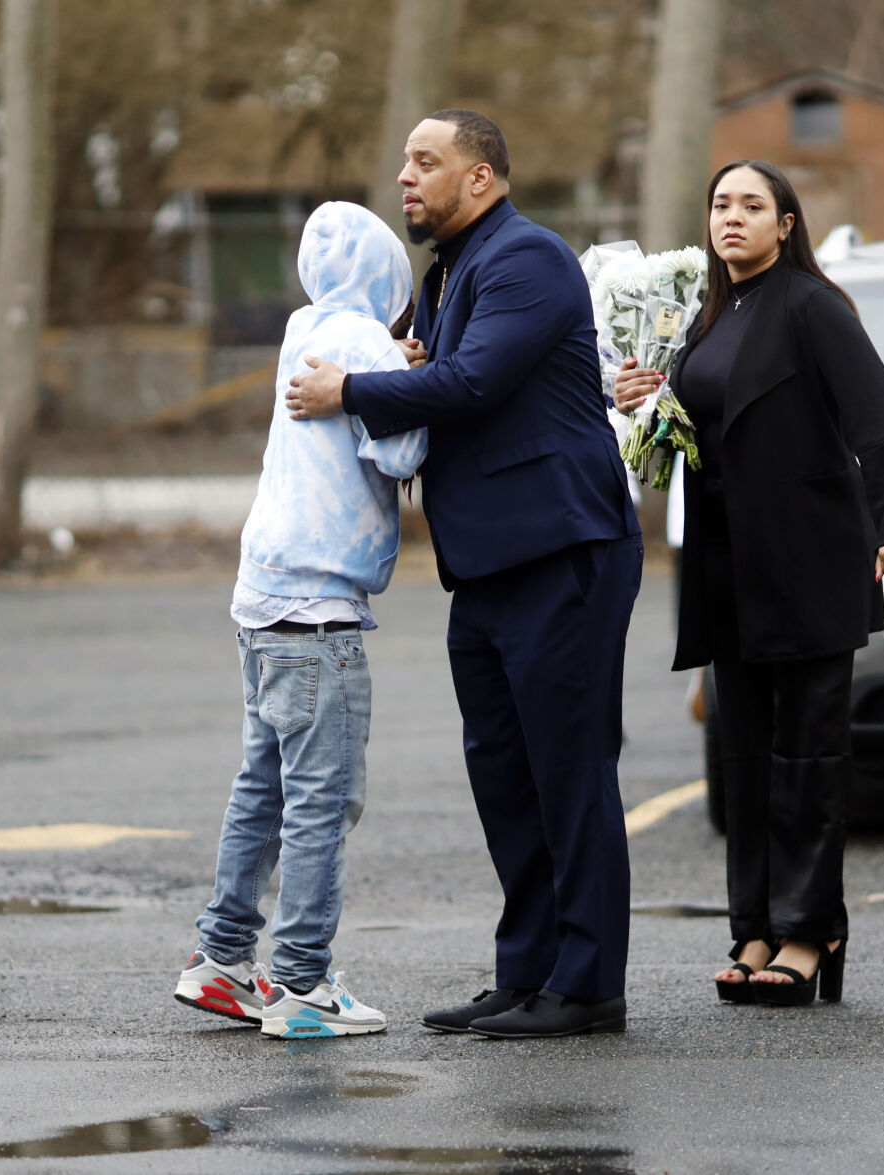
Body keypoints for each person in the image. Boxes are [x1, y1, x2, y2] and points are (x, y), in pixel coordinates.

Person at [286, 109, 644, 1037]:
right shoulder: (448, 270)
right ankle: (524, 972)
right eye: (403, 158)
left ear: (480, 177)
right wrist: (410, 359)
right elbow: (451, 374)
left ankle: (588, 983)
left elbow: (476, 383)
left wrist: (352, 390)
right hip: (487, 563)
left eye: (425, 160)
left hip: (561, 550)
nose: (404, 175)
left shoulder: (525, 257)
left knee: (569, 769)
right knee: (505, 775)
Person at [613, 160, 884, 1006]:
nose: (733, 218)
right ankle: (752, 928)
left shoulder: (813, 306)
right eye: (720, 204)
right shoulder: (706, 318)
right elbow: (688, 438)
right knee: (744, 756)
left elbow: (883, 426)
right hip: (729, 568)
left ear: (785, 224)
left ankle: (807, 932)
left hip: (812, 562)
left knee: (809, 756)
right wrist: (647, 401)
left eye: (753, 205)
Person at [175, 201, 428, 1039]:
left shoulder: (302, 326)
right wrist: (409, 382)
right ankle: (301, 985)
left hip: (261, 592)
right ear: (385, 277)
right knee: (323, 800)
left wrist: (391, 366)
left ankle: (220, 961)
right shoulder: (363, 338)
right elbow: (397, 451)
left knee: (263, 786)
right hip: (320, 604)